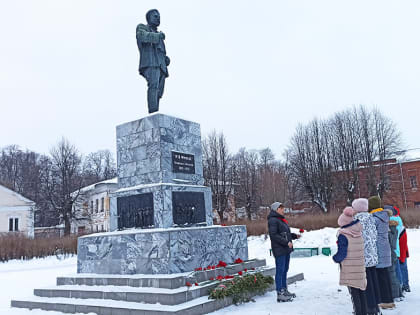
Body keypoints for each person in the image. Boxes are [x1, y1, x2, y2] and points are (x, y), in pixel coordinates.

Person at [333, 207, 367, 315]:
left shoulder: (344, 236)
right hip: (359, 267)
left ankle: (358, 312)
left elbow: (342, 254)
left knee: (354, 293)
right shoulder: (359, 232)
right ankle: (363, 312)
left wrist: (335, 258)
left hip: (350, 268)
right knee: (361, 290)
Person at [136, 9, 170, 113]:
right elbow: (143, 36)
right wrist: (158, 36)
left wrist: (165, 59)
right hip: (150, 63)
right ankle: (153, 112)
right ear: (149, 18)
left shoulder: (158, 33)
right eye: (155, 16)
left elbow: (161, 52)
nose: (158, 18)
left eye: (159, 16)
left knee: (159, 92)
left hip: (161, 66)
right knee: (153, 86)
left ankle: (156, 111)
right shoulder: (142, 27)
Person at [352, 198, 381, 315]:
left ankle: (369, 307)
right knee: (373, 282)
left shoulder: (356, 220)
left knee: (365, 284)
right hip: (372, 256)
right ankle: (375, 306)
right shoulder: (371, 218)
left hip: (362, 257)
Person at [267, 202, 300, 302]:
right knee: (280, 270)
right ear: (276, 209)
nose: (283, 210)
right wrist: (286, 242)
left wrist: (293, 236)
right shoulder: (273, 220)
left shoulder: (280, 220)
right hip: (279, 249)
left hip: (285, 249)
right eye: (282, 209)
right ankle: (280, 293)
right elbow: (274, 235)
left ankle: (284, 289)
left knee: (285, 269)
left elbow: (285, 233)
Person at [368, 196, 395, 310]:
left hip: (378, 248)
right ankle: (389, 299)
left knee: (380, 275)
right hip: (385, 247)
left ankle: (384, 300)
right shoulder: (385, 216)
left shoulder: (374, 218)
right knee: (385, 274)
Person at [399, 225, 411, 292]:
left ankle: (405, 285)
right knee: (403, 268)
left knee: (403, 267)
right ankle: (405, 285)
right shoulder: (400, 225)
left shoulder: (399, 226)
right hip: (401, 251)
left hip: (401, 252)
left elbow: (403, 243)